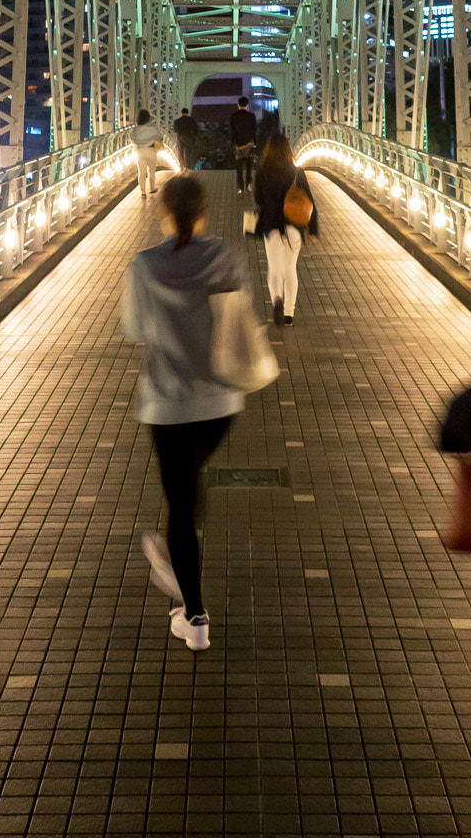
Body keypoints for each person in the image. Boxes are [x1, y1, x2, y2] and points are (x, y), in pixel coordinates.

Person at [121, 173, 247, 652]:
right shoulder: (225, 257)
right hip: (221, 400)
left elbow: (134, 329)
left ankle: (194, 617)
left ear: (163, 211)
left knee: (180, 504)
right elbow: (238, 316)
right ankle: (179, 562)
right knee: (191, 483)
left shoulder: (145, 265)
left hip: (167, 402)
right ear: (205, 211)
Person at [253, 133, 317, 326]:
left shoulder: (261, 172)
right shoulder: (298, 172)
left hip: (271, 225)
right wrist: (312, 229)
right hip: (294, 226)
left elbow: (258, 200)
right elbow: (309, 202)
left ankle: (276, 300)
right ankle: (289, 314)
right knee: (290, 268)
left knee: (274, 268)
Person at [132, 109, 164, 200]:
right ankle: (152, 188)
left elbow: (132, 139)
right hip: (151, 151)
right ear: (148, 118)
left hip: (140, 152)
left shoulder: (136, 129)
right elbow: (160, 136)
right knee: (151, 171)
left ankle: (143, 192)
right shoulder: (153, 127)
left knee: (141, 173)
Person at [229, 95, 257, 193]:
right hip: (249, 143)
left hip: (238, 144)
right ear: (247, 106)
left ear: (238, 105)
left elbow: (232, 131)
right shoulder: (251, 116)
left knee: (239, 167)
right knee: (249, 166)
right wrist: (255, 143)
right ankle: (249, 184)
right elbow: (254, 131)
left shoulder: (233, 116)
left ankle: (240, 187)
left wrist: (233, 143)